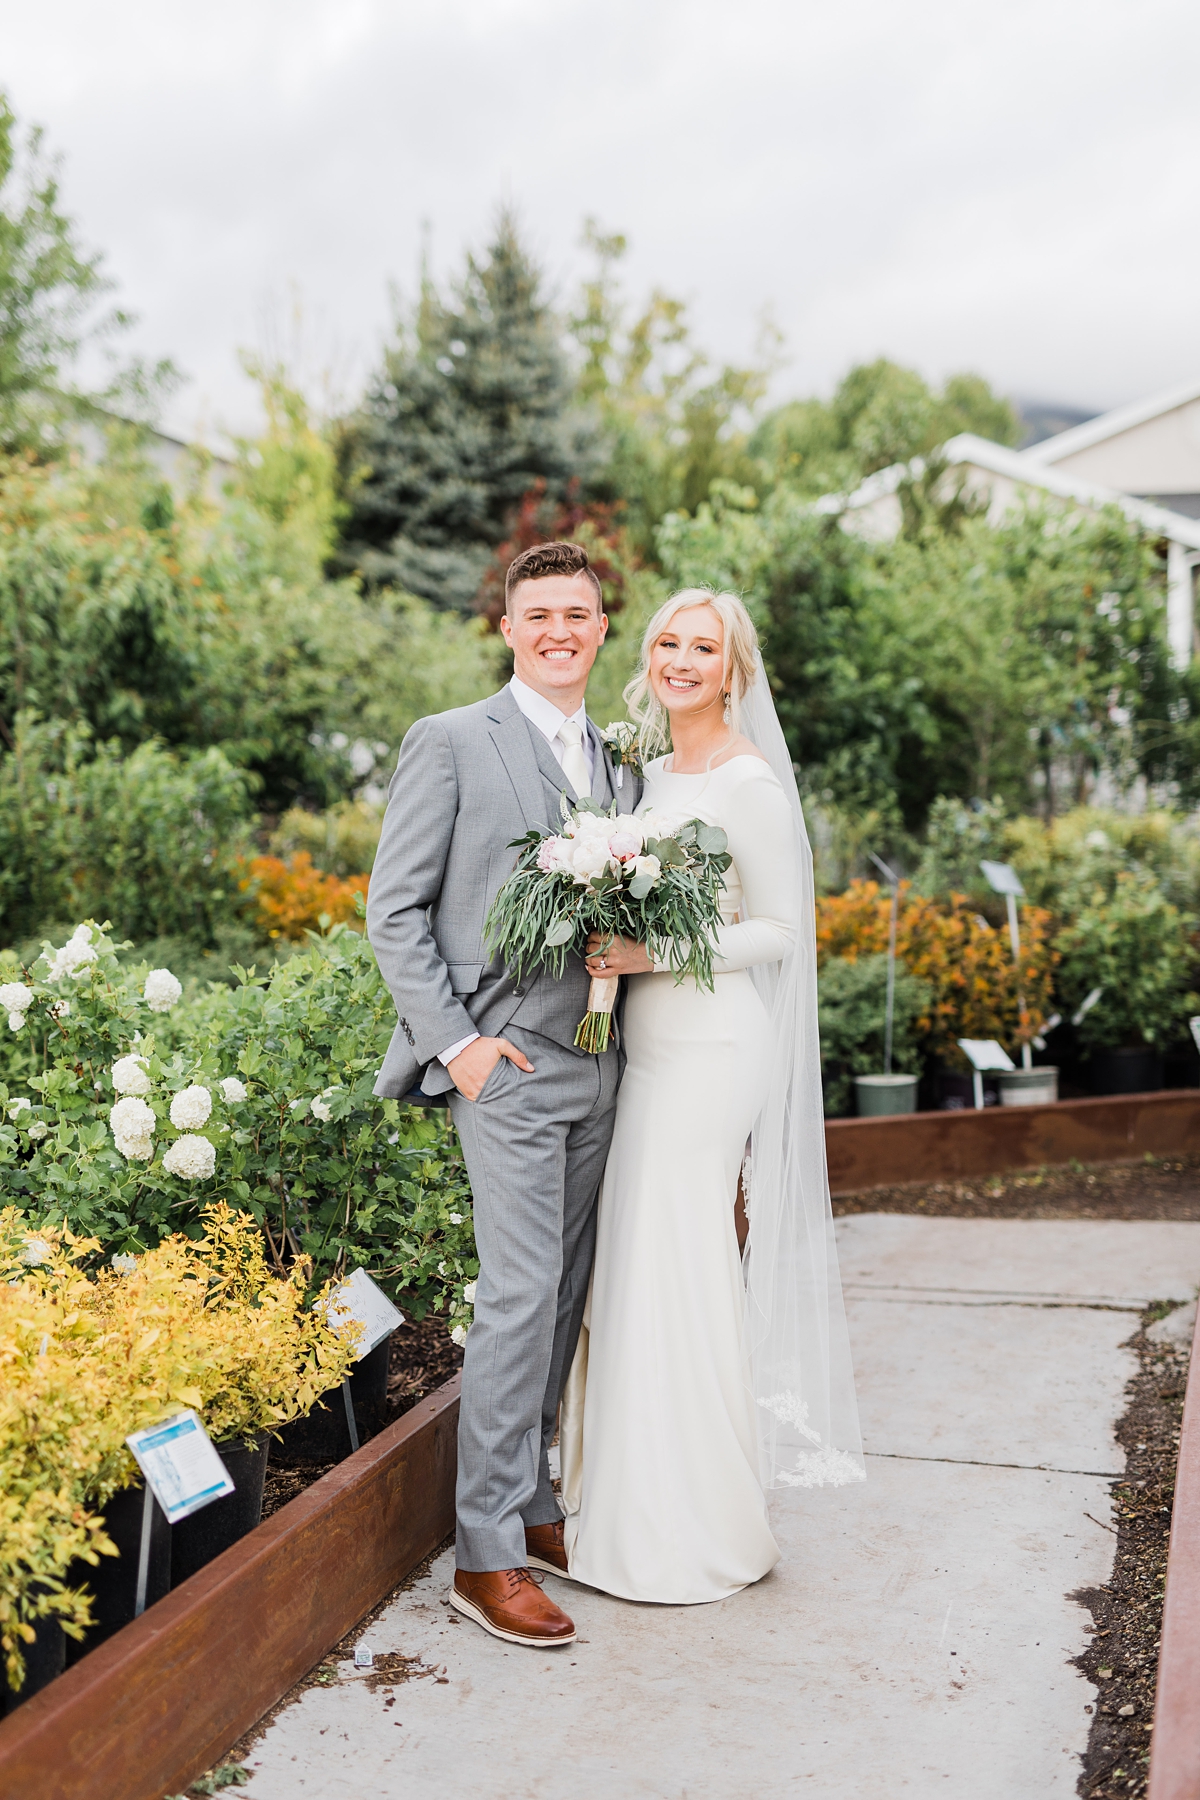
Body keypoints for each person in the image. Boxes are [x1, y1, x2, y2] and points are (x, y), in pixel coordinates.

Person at [557, 587, 864, 1605]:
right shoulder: (645, 776)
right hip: (645, 1049)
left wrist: (655, 948)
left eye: (704, 647)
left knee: (676, 1255)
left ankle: (696, 1528)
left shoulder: (749, 784)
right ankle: (632, 1502)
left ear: (733, 670)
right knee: (640, 1262)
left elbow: (780, 931)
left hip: (712, 1049)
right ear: (646, 658)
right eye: (667, 643)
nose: (682, 659)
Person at [366, 540, 639, 1648]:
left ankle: (532, 1502)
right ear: (509, 627)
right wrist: (462, 1049)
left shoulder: (618, 762)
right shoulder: (451, 741)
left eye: (578, 613)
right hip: (507, 1068)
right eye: (540, 614)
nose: (559, 630)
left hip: (600, 1059)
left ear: (601, 628)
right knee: (520, 1294)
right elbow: (395, 910)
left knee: (565, 1290)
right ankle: (484, 1555)